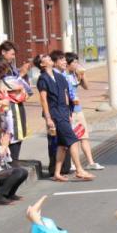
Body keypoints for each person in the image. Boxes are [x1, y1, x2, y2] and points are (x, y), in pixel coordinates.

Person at [35, 53, 93, 182]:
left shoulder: (60, 77)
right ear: (42, 64)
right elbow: (43, 100)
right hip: (54, 114)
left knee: (62, 145)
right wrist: (48, 118)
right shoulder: (42, 79)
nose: (48, 57)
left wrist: (69, 113)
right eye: (45, 57)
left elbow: (66, 95)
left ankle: (57, 173)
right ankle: (79, 170)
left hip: (64, 112)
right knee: (73, 140)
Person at [60, 52, 103, 171]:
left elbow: (86, 87)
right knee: (72, 138)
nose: (76, 64)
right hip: (68, 111)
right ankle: (72, 163)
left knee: (83, 136)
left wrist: (83, 75)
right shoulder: (62, 76)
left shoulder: (75, 74)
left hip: (78, 109)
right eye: (74, 62)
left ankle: (91, 162)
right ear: (68, 64)